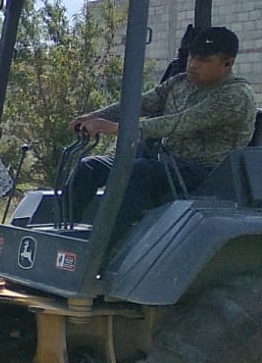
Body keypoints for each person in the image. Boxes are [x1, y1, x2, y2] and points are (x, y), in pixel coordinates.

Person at [65, 26, 256, 238]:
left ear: (227, 63)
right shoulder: (181, 82)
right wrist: (94, 116)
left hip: (206, 175)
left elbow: (178, 123)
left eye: (204, 60)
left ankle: (101, 248)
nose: (193, 64)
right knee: (90, 167)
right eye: (192, 56)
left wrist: (119, 129)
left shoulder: (236, 95)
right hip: (169, 165)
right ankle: (64, 234)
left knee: (139, 172)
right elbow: (141, 104)